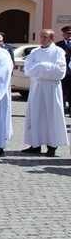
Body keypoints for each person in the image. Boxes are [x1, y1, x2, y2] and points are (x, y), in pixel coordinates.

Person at [21, 29, 68, 157]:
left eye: (45, 36)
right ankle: (35, 144)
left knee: (50, 116)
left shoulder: (58, 52)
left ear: (52, 39)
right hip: (37, 87)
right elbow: (28, 70)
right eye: (41, 36)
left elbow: (60, 72)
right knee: (35, 115)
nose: (42, 39)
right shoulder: (34, 52)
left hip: (51, 88)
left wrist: (40, 66)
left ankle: (52, 145)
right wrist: (45, 68)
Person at [56, 26, 71, 116]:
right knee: (62, 90)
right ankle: (62, 108)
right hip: (62, 71)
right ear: (63, 34)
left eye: (70, 33)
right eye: (67, 33)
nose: (69, 35)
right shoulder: (58, 45)